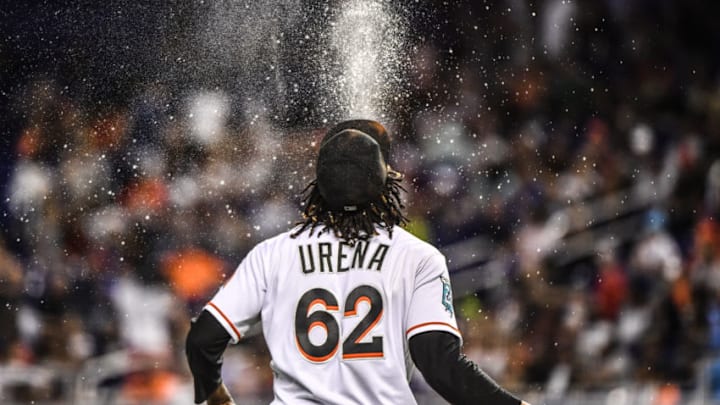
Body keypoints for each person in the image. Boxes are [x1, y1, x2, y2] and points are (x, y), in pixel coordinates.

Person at [186, 120, 530, 405]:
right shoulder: (416, 257)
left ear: (317, 188)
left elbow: (202, 340)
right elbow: (439, 364)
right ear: (386, 186)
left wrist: (215, 394)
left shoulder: (272, 253)